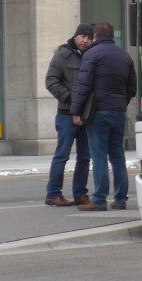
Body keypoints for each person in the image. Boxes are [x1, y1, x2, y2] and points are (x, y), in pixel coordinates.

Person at [71, 22, 137, 211]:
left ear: (96, 36)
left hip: (98, 112)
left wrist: (76, 111)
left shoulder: (92, 54)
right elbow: (132, 88)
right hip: (118, 111)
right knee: (117, 155)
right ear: (112, 36)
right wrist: (120, 103)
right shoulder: (124, 56)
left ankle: (99, 200)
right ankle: (121, 199)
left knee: (98, 156)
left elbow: (83, 86)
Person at [43, 24, 94, 206]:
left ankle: (80, 193)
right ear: (75, 37)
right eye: (82, 37)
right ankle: (53, 194)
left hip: (87, 115)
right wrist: (70, 98)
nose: (85, 41)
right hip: (66, 114)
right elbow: (50, 81)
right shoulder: (62, 55)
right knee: (62, 154)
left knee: (84, 157)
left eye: (89, 38)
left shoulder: (92, 55)